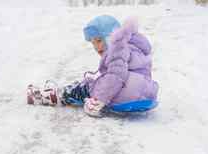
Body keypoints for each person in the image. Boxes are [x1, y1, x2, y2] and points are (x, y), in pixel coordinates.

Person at [27, 15, 159, 118]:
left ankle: (58, 94)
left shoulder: (118, 48)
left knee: (91, 85)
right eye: (93, 42)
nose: (97, 47)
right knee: (100, 78)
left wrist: (98, 100)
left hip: (128, 94)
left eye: (99, 40)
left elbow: (116, 76)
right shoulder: (133, 46)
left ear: (111, 36)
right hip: (146, 93)